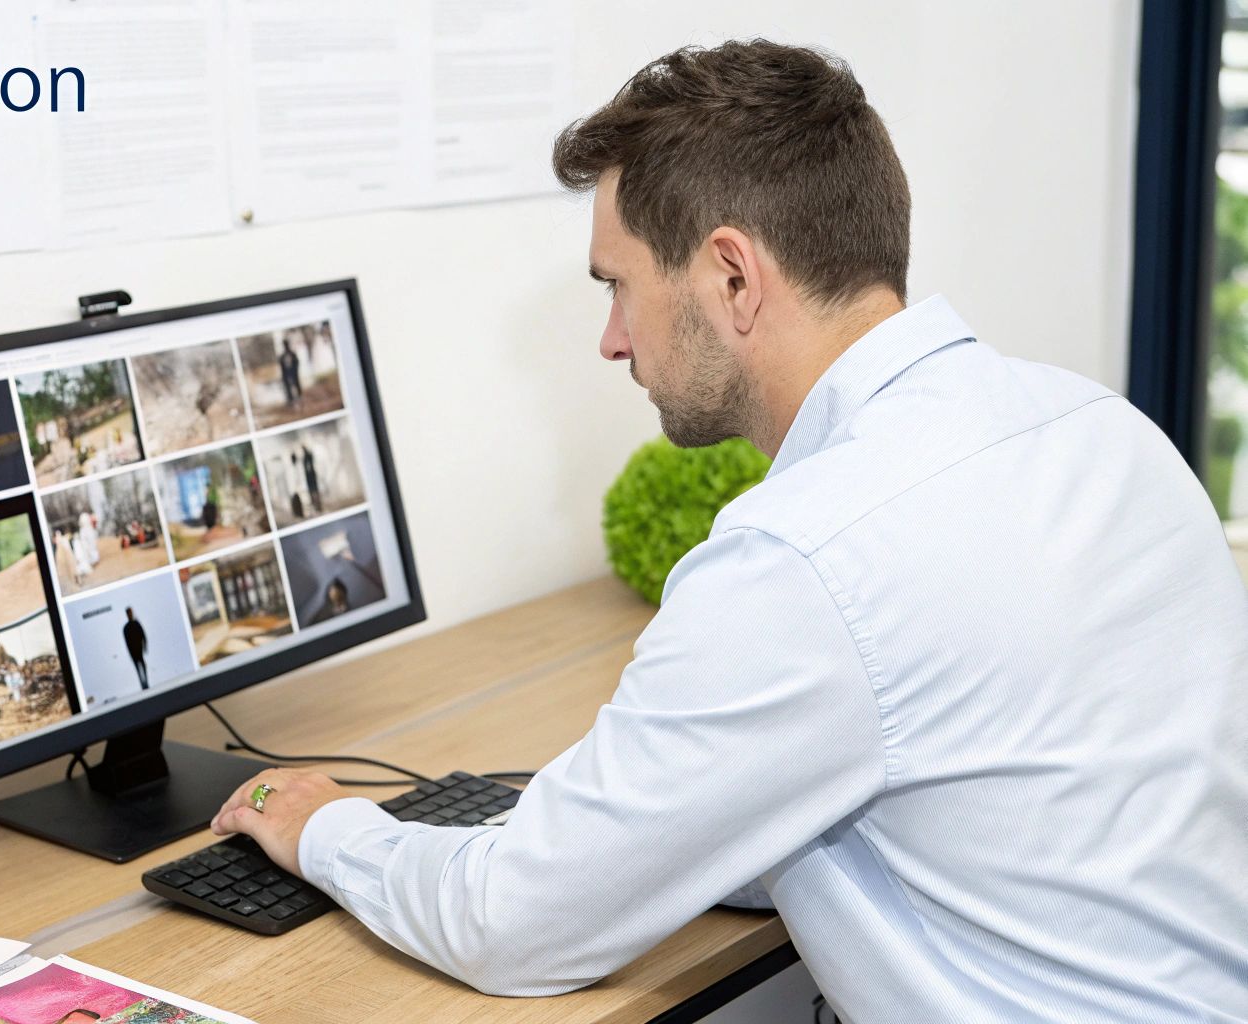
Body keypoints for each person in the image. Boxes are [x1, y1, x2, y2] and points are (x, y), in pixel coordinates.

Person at [209, 40, 1248, 1023]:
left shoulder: (806, 555)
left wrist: (324, 825)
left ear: (732, 277)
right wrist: (642, 818)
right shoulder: (1101, 430)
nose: (611, 340)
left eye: (617, 286)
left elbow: (513, 924)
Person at [123, 607, 150, 691]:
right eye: (129, 613)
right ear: (127, 614)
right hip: (133, 652)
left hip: (139, 649)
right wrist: (130, 654)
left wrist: (145, 646)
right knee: (138, 668)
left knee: (142, 665)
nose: (130, 614)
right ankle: (143, 683)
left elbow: (143, 635)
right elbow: (127, 643)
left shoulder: (136, 624)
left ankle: (145, 682)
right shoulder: (126, 628)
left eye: (131, 612)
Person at [278, 337, 302, 406]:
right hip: (286, 375)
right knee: (288, 387)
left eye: (286, 344)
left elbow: (297, 363)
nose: (286, 346)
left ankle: (299, 398)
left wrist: (295, 371)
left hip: (293, 373)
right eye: (284, 344)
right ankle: (291, 401)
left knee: (297, 385)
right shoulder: (282, 356)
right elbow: (281, 366)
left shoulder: (293, 354)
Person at [301, 444, 322, 513]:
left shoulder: (308, 456)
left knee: (315, 491)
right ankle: (316, 506)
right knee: (312, 491)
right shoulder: (304, 458)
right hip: (309, 477)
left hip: (312, 476)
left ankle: (318, 506)